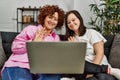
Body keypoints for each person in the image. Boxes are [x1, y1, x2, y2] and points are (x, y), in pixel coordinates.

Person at [1, 5, 64, 80]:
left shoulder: (56, 38)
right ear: (44, 18)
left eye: (55, 19)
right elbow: (15, 47)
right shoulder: (31, 29)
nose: (52, 21)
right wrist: (33, 42)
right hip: (19, 65)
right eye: (50, 17)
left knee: (55, 75)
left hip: (43, 69)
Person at [61, 10, 120, 80]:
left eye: (73, 20)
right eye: (68, 22)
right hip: (82, 69)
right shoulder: (70, 39)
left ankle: (109, 70)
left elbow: (100, 53)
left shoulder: (91, 33)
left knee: (100, 77)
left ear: (79, 19)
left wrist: (91, 71)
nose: (71, 23)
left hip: (98, 64)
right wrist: (74, 48)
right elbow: (74, 60)